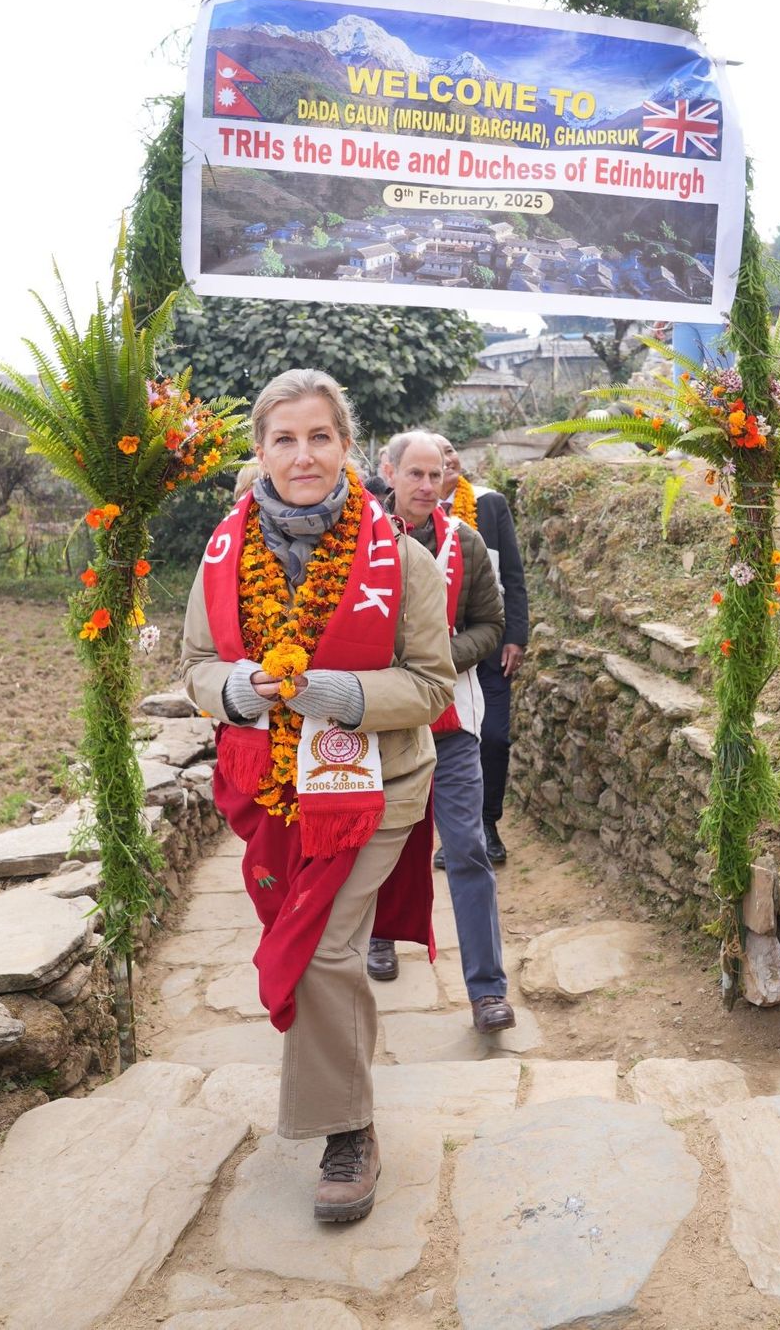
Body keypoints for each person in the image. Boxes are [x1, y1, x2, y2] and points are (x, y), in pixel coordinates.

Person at [180, 370, 455, 1225]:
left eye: (321, 437)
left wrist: (344, 694)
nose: (303, 455)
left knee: (328, 945)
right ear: (261, 449)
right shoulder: (223, 554)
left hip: (377, 790)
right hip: (269, 789)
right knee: (303, 937)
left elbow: (433, 684)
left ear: (348, 447)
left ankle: (349, 1132)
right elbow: (194, 667)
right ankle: (341, 1101)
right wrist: (239, 690)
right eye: (285, 439)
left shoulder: (399, 557)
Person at [366, 430, 515, 1035]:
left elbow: (491, 623)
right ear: (390, 472)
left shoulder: (467, 542)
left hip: (452, 723)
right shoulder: (356, 543)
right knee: (376, 840)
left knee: (467, 846)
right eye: (417, 475)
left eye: (439, 475)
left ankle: (487, 991)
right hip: (378, 724)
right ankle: (378, 935)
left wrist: (438, 660)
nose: (428, 487)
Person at [433, 433, 528, 865]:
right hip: (432, 654)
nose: (448, 458)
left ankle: (488, 823)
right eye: (438, 455)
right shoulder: (407, 513)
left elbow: (512, 571)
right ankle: (449, 834)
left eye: (451, 450)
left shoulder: (489, 505)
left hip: (488, 647)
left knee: (492, 738)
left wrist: (516, 636)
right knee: (437, 746)